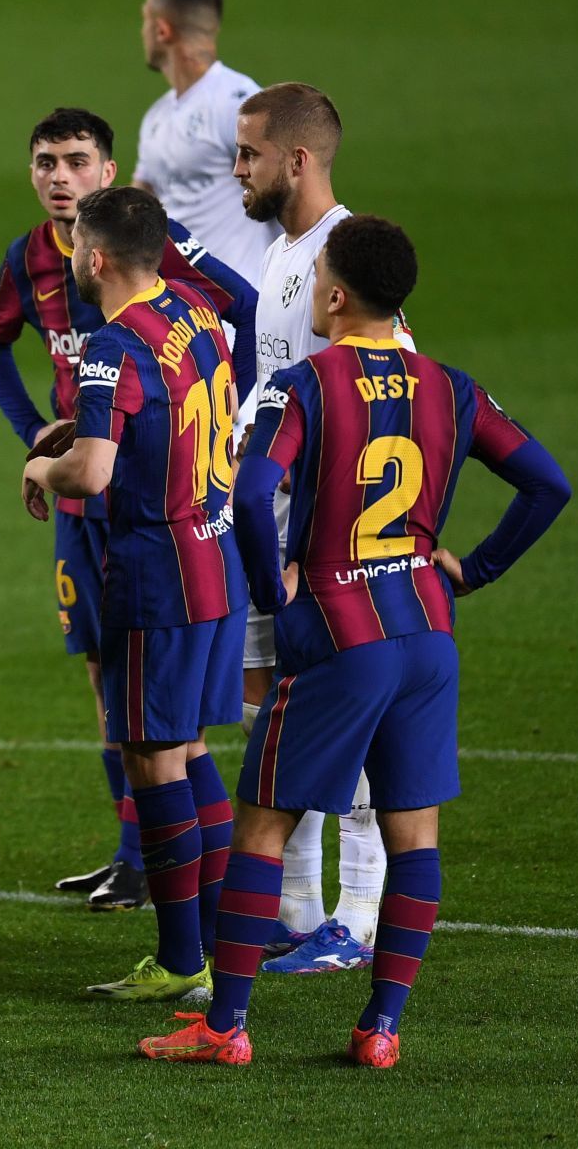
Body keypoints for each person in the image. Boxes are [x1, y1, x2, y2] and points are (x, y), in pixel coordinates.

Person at [138, 216, 570, 1067]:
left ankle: (224, 1026)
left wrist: (273, 589)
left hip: (339, 634)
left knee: (262, 826)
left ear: (333, 297)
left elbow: (255, 486)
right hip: (427, 633)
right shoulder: (453, 387)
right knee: (417, 836)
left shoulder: (309, 382)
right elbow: (547, 484)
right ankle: (381, 1029)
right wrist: (471, 569)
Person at [0, 108, 257, 912]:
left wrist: (216, 415)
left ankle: (174, 895)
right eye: (43, 163)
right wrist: (36, 430)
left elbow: (243, 306)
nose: (58, 177)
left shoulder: (150, 253)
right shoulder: (27, 260)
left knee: (163, 717)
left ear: (108, 173)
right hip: (91, 498)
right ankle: (138, 856)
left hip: (147, 499)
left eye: (75, 161)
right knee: (112, 680)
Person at [20, 186, 242, 1004]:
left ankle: (184, 960)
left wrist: (48, 466)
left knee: (151, 759)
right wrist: (79, 429)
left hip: (158, 571)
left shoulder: (111, 345)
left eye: (77, 243)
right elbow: (160, 417)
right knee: (186, 749)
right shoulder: (189, 306)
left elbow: (94, 473)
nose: (70, 255)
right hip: (218, 557)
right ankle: (221, 946)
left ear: (98, 257)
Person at [232, 82, 397, 971]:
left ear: (297, 159)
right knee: (274, 708)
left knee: (349, 715)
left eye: (250, 153)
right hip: (270, 520)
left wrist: (330, 545)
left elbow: (384, 386)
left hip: (327, 541)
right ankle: (295, 910)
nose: (238, 168)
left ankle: (358, 919)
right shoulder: (284, 254)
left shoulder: (347, 256)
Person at [133, 0, 280, 282]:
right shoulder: (156, 117)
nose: (141, 30)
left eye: (145, 19)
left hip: (239, 318)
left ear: (161, 29)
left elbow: (292, 191)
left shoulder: (238, 104)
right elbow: (140, 205)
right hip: (183, 320)